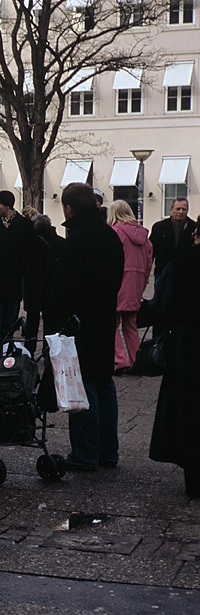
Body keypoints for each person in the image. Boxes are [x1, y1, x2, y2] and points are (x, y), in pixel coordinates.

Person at [50, 182, 124, 471]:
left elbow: (64, 287)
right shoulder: (109, 236)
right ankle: (108, 451)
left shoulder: (77, 239)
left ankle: (85, 452)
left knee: (83, 385)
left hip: (79, 322)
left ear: (69, 207)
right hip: (104, 317)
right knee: (104, 383)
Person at [149, 224, 200, 497]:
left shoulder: (183, 263)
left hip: (189, 345)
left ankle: (193, 474)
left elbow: (163, 306)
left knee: (190, 407)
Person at [108, 199, 153, 373]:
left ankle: (120, 359)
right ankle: (136, 359)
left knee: (113, 323)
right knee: (131, 325)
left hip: (119, 281)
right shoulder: (143, 235)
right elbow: (149, 262)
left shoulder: (116, 232)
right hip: (136, 282)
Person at [0, 190, 36, 348]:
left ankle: (6, 349)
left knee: (10, 321)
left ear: (7, 206)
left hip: (14, 281)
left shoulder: (24, 225)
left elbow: (30, 253)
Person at [24, 214, 65, 354]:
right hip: (53, 288)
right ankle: (49, 350)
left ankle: (30, 350)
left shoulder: (31, 244)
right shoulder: (61, 242)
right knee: (51, 323)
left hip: (33, 288)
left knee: (32, 322)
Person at [150, 197, 196, 281]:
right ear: (171, 209)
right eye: (178, 209)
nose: (181, 212)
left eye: (184, 209)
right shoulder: (159, 227)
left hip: (187, 275)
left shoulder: (194, 228)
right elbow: (151, 251)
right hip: (163, 272)